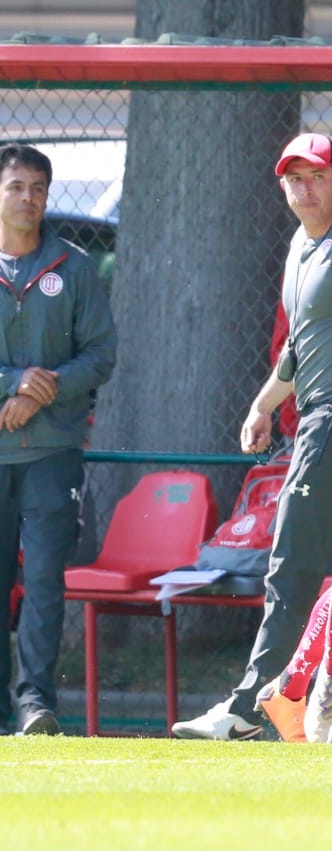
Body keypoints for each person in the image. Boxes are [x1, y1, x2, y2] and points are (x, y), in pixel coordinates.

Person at [173, 133, 332, 741]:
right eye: (293, 177)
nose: (304, 187)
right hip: (323, 417)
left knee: (292, 563)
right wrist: (265, 404)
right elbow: (302, 343)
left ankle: (250, 706)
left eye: (316, 176)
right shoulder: (301, 244)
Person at [0, 143, 116, 736]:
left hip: (52, 455)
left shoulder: (73, 268)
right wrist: (11, 382)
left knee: (45, 582)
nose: (28, 198)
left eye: (38, 189)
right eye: (17, 186)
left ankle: (35, 705)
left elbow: (100, 356)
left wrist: (38, 393)